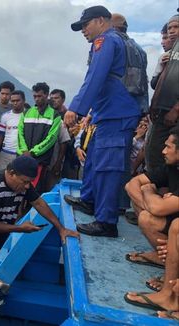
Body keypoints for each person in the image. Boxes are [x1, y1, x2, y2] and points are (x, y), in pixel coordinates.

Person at [0, 156, 79, 325]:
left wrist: (61, 228)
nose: (27, 186)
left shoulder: (23, 185)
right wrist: (19, 228)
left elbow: (38, 202)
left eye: (30, 182)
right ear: (11, 173)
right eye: (25, 182)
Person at [64, 5, 140, 237]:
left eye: (85, 25)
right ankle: (89, 199)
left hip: (117, 114)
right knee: (95, 158)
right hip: (108, 113)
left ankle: (106, 221)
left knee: (108, 167)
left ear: (100, 21)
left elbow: (95, 77)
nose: (83, 31)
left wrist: (76, 108)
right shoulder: (130, 45)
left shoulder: (106, 41)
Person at [124, 126, 179, 269]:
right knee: (142, 202)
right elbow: (131, 185)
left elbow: (158, 208)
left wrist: (149, 193)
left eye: (168, 147)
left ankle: (172, 262)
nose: (163, 151)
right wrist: (149, 205)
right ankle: (167, 256)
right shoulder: (172, 167)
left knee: (146, 216)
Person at [146, 14, 179, 171]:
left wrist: (175, 109)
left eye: (176, 27)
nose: (172, 31)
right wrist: (160, 67)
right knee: (156, 156)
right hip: (160, 114)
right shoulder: (169, 55)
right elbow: (155, 85)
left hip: (172, 115)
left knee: (165, 159)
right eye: (169, 28)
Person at [17, 82, 61, 192]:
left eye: (39, 96)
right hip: (23, 156)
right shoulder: (26, 112)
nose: (36, 99)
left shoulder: (55, 115)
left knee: (34, 190)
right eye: (35, 96)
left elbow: (51, 138)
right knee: (19, 187)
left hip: (40, 160)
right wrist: (24, 150)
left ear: (46, 95)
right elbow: (19, 134)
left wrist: (33, 152)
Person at [0, 90, 25, 171]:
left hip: (21, 154)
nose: (15, 103)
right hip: (5, 153)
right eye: (13, 101)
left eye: (18, 100)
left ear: (24, 101)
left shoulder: (28, 116)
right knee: (2, 177)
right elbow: (0, 135)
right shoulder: (5, 116)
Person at [151, 23, 174, 90]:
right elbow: (154, 85)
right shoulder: (164, 57)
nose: (162, 42)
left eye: (165, 38)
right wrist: (163, 68)